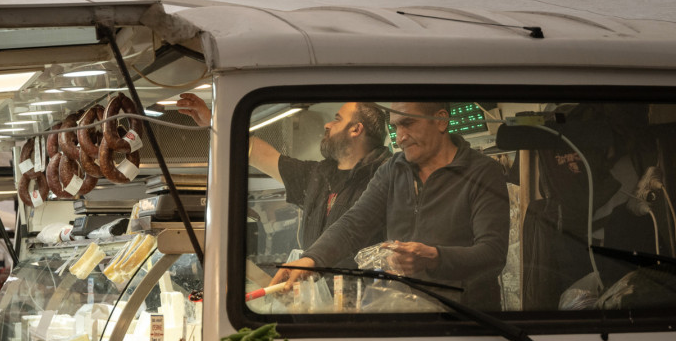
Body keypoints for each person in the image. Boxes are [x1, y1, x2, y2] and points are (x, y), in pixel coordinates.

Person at [271, 101, 510, 310]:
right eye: (395, 127)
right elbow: (354, 224)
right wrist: (311, 261)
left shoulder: (482, 172)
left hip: (468, 321)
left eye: (408, 123)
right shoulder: (393, 170)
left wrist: (434, 258)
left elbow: (492, 254)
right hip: (405, 313)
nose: (400, 137)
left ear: (440, 120)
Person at [176, 93, 391, 252]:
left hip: (368, 297)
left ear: (356, 129)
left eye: (337, 119)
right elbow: (261, 155)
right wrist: (215, 123)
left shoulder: (388, 179)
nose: (328, 124)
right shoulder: (318, 176)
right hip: (322, 295)